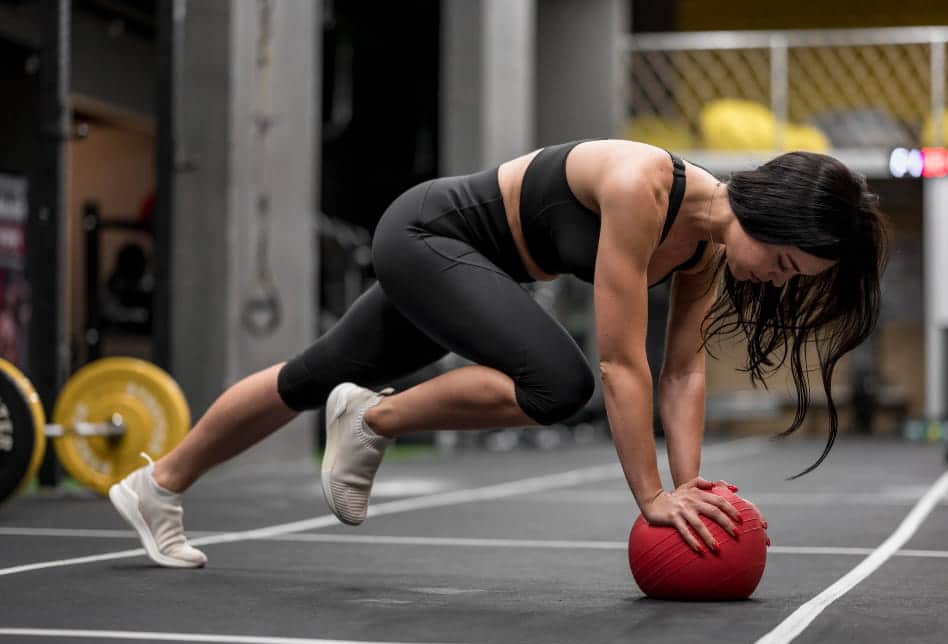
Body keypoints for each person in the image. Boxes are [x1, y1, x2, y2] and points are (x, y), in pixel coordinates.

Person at [109, 139, 887, 568]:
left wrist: (691, 490)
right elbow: (625, 363)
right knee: (562, 382)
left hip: (470, 266)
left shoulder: (705, 252)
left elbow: (683, 369)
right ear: (766, 211)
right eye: (783, 265)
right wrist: (652, 498)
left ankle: (158, 484)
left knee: (307, 375)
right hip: (425, 235)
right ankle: (376, 416)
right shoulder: (645, 186)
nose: (775, 282)